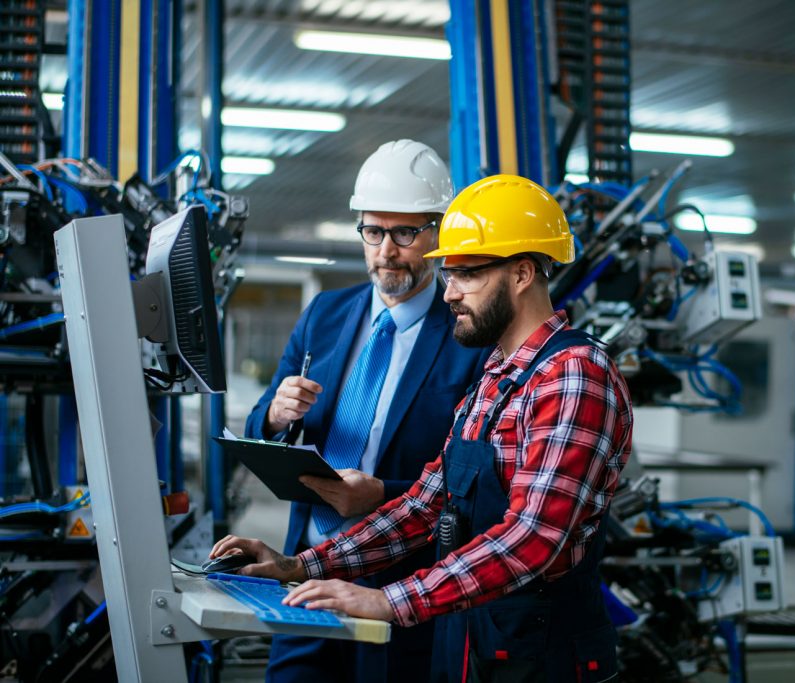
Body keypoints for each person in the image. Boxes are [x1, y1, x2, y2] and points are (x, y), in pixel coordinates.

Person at [217, 174, 634, 682]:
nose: (449, 292)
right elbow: (426, 506)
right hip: (475, 645)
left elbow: (532, 538)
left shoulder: (574, 375)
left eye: (465, 274)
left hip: (542, 657)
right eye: (447, 273)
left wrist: (390, 600)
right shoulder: (497, 376)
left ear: (523, 273)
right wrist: (300, 566)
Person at [245, 140, 489, 682]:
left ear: (437, 234)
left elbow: (474, 483)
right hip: (305, 575)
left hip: (401, 586)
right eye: (373, 232)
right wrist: (275, 415)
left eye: (404, 233)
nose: (386, 251)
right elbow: (257, 425)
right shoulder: (326, 315)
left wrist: (380, 494)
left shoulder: (467, 337)